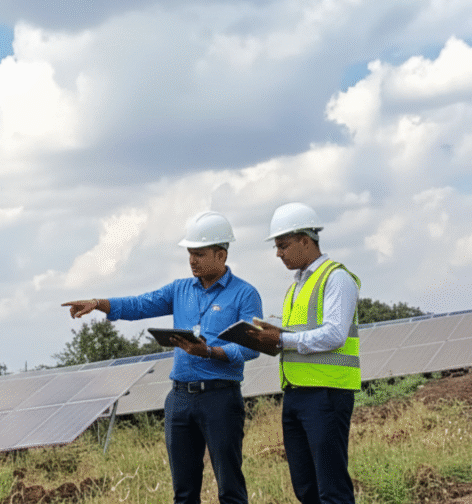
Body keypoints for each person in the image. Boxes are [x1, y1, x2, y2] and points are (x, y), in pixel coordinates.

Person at [63, 211, 262, 504]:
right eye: (189, 253)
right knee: (183, 490)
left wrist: (210, 351)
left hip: (220, 398)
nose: (192, 260)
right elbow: (140, 304)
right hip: (179, 399)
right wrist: (98, 303)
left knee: (229, 486)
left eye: (199, 253)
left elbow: (252, 347)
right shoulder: (179, 289)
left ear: (221, 254)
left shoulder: (245, 294)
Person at [245, 202, 361, 504]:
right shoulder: (296, 286)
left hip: (326, 393)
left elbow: (335, 334)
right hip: (296, 393)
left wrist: (282, 341)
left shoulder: (336, 278)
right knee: (306, 487)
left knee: (331, 488)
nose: (278, 253)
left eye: (283, 245)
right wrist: (269, 336)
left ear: (305, 241)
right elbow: (300, 334)